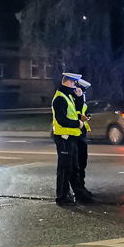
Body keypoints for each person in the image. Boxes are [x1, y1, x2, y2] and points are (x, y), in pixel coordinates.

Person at [51, 73, 92, 204]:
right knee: (64, 168)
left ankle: (73, 193)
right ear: (68, 82)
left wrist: (80, 118)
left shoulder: (67, 96)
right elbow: (62, 120)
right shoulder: (60, 98)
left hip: (71, 136)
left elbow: (76, 112)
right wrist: (78, 123)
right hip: (64, 137)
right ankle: (62, 197)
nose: (75, 86)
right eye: (74, 83)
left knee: (72, 167)